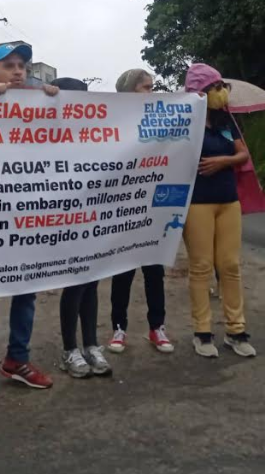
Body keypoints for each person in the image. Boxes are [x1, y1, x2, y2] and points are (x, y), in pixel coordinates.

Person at [0, 44, 58, 397]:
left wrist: (55, 99)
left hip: (28, 218)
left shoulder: (38, 105)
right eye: (9, 66)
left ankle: (16, 359)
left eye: (22, 66)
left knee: (26, 292)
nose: (18, 71)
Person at [182, 63, 256, 359]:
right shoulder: (184, 121)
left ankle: (236, 331)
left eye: (222, 86)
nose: (222, 92)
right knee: (200, 267)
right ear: (200, 92)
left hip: (229, 201)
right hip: (196, 203)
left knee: (230, 266)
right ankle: (202, 332)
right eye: (215, 87)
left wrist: (223, 162)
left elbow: (243, 155)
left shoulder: (227, 121)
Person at [107, 69, 174, 355]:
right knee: (122, 273)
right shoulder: (112, 122)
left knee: (153, 272)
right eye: (146, 87)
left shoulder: (159, 121)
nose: (151, 92)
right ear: (131, 91)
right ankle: (118, 328)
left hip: (152, 208)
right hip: (123, 210)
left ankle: (156, 327)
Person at [49, 77, 113, 378]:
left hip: (93, 217)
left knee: (92, 280)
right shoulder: (48, 131)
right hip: (65, 220)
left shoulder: (92, 134)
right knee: (75, 283)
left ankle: (91, 344)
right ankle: (69, 349)